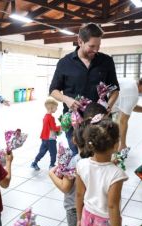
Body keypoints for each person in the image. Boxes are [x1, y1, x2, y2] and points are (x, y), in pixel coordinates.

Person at [49, 23, 119, 154]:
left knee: (100, 156)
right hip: (73, 122)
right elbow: (53, 90)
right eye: (92, 46)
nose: (96, 50)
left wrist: (108, 106)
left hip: (100, 120)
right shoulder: (64, 63)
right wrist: (67, 100)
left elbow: (115, 89)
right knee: (79, 155)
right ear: (80, 41)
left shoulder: (106, 61)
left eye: (98, 46)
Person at [48, 102, 108, 226]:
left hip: (75, 208)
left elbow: (66, 187)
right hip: (93, 206)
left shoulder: (75, 162)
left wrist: (51, 174)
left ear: (74, 140)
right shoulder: (97, 158)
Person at [76, 119, 128, 226]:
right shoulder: (116, 174)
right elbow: (112, 206)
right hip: (104, 224)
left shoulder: (81, 164)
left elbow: (79, 194)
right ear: (116, 145)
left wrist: (79, 219)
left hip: (86, 216)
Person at [112, 74, 142, 151]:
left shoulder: (131, 83)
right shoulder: (132, 94)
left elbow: (132, 106)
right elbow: (122, 121)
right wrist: (122, 144)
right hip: (100, 108)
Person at [31, 97, 61, 171]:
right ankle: (52, 165)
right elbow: (53, 128)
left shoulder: (45, 116)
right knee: (53, 152)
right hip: (50, 139)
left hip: (44, 138)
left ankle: (34, 163)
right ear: (51, 108)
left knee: (42, 152)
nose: (56, 109)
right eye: (55, 108)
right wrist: (61, 127)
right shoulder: (51, 118)